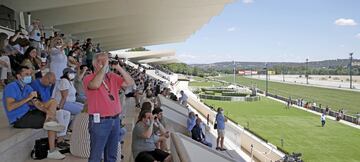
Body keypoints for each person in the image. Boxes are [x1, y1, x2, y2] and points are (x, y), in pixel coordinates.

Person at [2, 66, 65, 159]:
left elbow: (37, 103)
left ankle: (49, 121)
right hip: (19, 119)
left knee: (53, 102)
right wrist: (28, 98)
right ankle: (52, 150)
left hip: (29, 113)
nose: (30, 76)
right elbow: (10, 107)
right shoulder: (11, 87)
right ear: (19, 76)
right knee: (52, 123)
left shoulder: (27, 87)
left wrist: (48, 113)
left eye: (30, 74)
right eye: (26, 74)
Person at [83, 52, 134, 162]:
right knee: (95, 156)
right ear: (95, 63)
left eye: (106, 61)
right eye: (101, 61)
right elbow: (95, 85)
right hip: (100, 122)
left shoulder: (112, 77)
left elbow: (130, 83)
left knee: (111, 155)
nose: (105, 64)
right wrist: (105, 66)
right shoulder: (89, 78)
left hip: (115, 120)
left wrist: (118, 67)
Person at [30, 72, 71, 148]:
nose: (50, 85)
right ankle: (59, 139)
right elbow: (34, 102)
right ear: (46, 78)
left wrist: (54, 106)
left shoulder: (49, 85)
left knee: (67, 113)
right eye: (49, 83)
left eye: (51, 84)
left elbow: (48, 98)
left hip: (48, 106)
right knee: (58, 110)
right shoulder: (34, 84)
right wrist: (48, 109)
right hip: (38, 108)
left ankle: (60, 137)